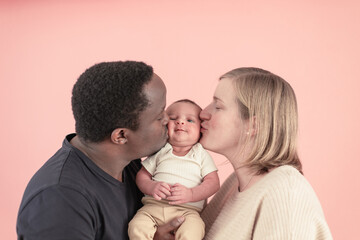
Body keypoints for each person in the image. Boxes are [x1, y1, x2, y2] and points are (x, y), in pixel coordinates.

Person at [16, 61, 184, 240]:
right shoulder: (60, 199)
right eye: (159, 116)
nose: (169, 119)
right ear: (120, 136)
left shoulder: (129, 163)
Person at [200, 67, 333, 239]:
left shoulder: (286, 193)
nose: (203, 113)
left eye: (218, 106)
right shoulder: (235, 184)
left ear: (253, 125)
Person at [128, 99, 220, 240]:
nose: (180, 122)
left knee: (193, 230)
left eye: (189, 120)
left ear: (201, 129)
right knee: (136, 226)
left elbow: (213, 183)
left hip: (186, 212)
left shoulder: (200, 154)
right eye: (173, 118)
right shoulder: (160, 151)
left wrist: (191, 193)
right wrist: (152, 186)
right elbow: (142, 176)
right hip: (152, 209)